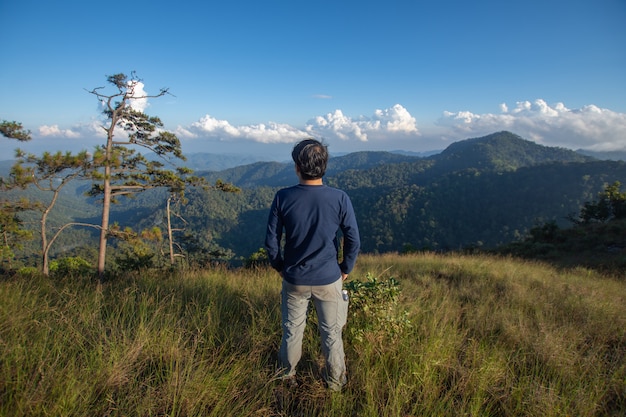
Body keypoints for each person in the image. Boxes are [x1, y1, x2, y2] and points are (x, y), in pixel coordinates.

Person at [265, 138, 360, 392]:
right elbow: (353, 238)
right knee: (332, 334)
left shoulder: (283, 197)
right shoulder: (339, 198)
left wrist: (280, 266)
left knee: (292, 331)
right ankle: (335, 383)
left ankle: (287, 377)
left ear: (297, 166)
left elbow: (271, 240)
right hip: (329, 278)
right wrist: (345, 268)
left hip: (294, 278)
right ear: (324, 166)